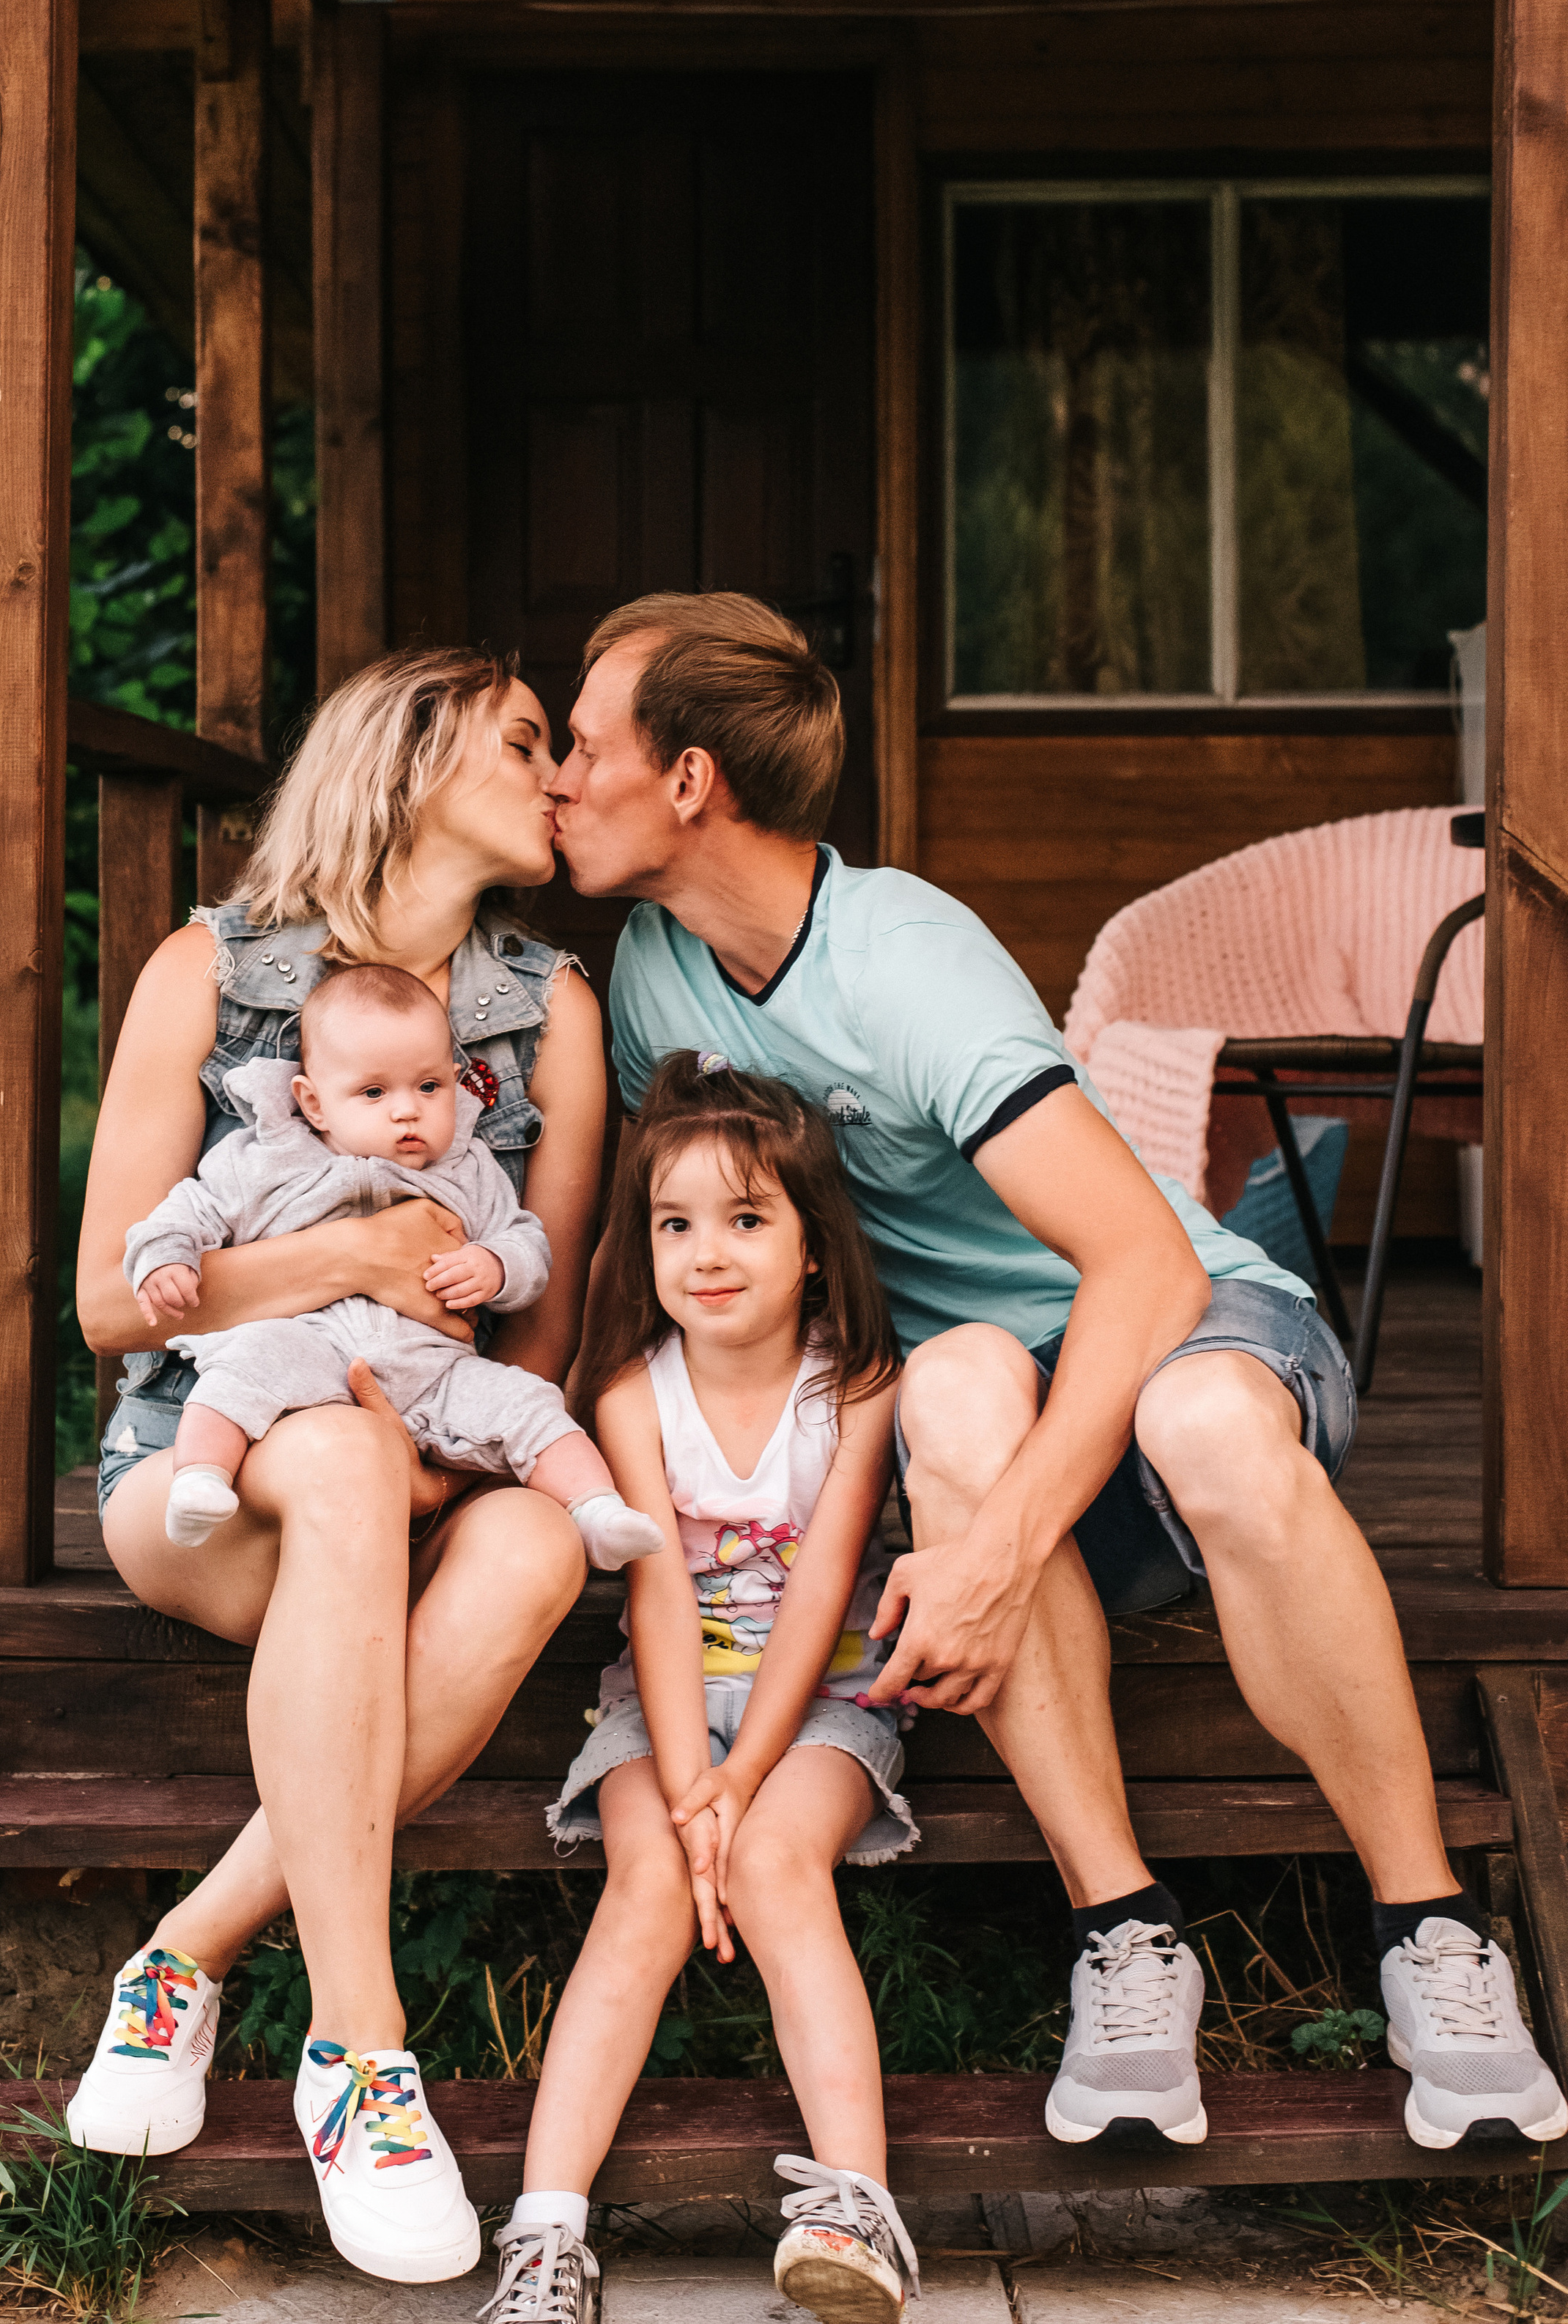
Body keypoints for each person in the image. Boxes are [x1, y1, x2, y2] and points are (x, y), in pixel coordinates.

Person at [549, 590, 1566, 2159]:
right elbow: (655, 1245)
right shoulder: (651, 972)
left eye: (580, 743)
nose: (555, 777)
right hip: (992, 1401)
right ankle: (1124, 1934)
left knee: (1202, 1419)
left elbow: (1146, 1268)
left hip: (1190, 1332)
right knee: (954, 1383)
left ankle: (1429, 1927)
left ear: (689, 779)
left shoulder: (904, 959)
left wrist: (991, 1556)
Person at [65, 648, 609, 2287]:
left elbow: (540, 1335)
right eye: (525, 742)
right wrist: (350, 1259)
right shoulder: (208, 970)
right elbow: (110, 1303)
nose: (561, 775)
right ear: (413, 758)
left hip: (437, 1453)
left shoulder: (551, 1011)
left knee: (540, 1545)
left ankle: (182, 1954)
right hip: (201, 1464)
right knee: (352, 1468)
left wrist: (444, 1459)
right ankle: (362, 2056)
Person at [487, 1052, 919, 2324]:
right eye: (675, 1223)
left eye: (745, 1218)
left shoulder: (859, 1386)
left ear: (814, 1246)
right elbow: (659, 1594)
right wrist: (691, 1792)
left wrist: (742, 1784)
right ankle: (546, 2237)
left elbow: (824, 1588)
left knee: (777, 1864)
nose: (706, 1252)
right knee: (647, 1884)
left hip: (824, 1695)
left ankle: (855, 2209)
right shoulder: (632, 1390)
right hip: (662, 1701)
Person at [126, 962, 659, 1569]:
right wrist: (166, 1256)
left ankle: (597, 1510)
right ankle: (200, 1480)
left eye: (428, 1087)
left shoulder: (468, 1167)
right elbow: (189, 1209)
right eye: (374, 1093)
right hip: (305, 1344)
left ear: (454, 1082)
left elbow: (527, 1243)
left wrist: (495, 1264)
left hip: (432, 1366)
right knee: (238, 1372)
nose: (407, 1110)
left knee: (529, 1403)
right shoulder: (264, 1159)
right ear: (314, 1103)